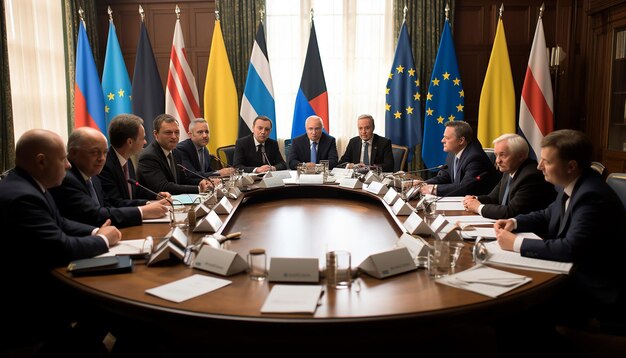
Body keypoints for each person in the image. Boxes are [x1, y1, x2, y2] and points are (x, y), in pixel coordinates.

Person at [0, 129, 121, 352]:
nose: (67, 165)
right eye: (63, 158)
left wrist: (95, 232)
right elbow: (60, 247)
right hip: (29, 300)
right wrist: (103, 240)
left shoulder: (30, 184)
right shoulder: (22, 196)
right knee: (110, 302)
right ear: (41, 161)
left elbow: (61, 222)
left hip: (40, 279)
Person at [494, 129, 625, 312]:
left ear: (571, 166)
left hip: (591, 286)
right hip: (569, 272)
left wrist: (516, 243)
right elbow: (548, 213)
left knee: (511, 303)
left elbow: (570, 248)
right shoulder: (574, 183)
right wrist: (515, 222)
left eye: (546, 161)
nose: (539, 166)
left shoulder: (592, 195)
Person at [50, 127, 169, 228]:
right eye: (95, 152)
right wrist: (142, 211)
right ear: (73, 152)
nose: (102, 158)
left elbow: (110, 205)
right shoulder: (66, 179)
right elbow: (94, 215)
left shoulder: (93, 176)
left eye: (105, 152)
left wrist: (148, 203)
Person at [462, 133, 555, 219]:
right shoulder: (509, 170)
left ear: (521, 156)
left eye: (502, 155)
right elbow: (493, 198)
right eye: (496, 155)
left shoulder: (531, 176)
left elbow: (510, 212)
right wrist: (474, 199)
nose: (497, 161)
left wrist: (478, 207)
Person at [99, 114, 171, 207]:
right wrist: (148, 204)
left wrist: (157, 196)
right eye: (143, 138)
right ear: (130, 142)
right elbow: (116, 202)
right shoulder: (105, 165)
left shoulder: (127, 159)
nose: (145, 142)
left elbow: (135, 191)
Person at [415, 121, 499, 196]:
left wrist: (433, 189)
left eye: (447, 138)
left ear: (461, 140)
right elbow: (445, 176)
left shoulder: (475, 157)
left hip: (480, 204)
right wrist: (423, 184)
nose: (442, 140)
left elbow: (466, 188)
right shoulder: (453, 152)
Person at [137, 114, 212, 194]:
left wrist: (202, 183)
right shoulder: (149, 157)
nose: (174, 137)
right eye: (168, 133)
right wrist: (198, 189)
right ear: (156, 134)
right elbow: (163, 187)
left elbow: (183, 180)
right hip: (154, 203)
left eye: (177, 132)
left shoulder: (176, 152)